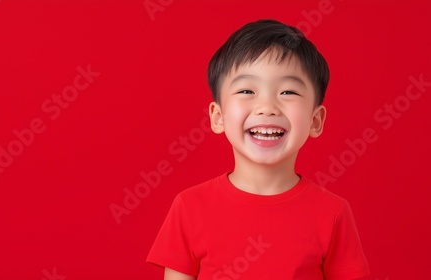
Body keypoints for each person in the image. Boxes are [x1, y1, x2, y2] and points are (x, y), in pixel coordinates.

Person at [147, 19, 370, 280]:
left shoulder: (333, 213)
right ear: (218, 116)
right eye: (246, 90)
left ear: (315, 120)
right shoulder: (189, 207)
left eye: (288, 92)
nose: (267, 107)